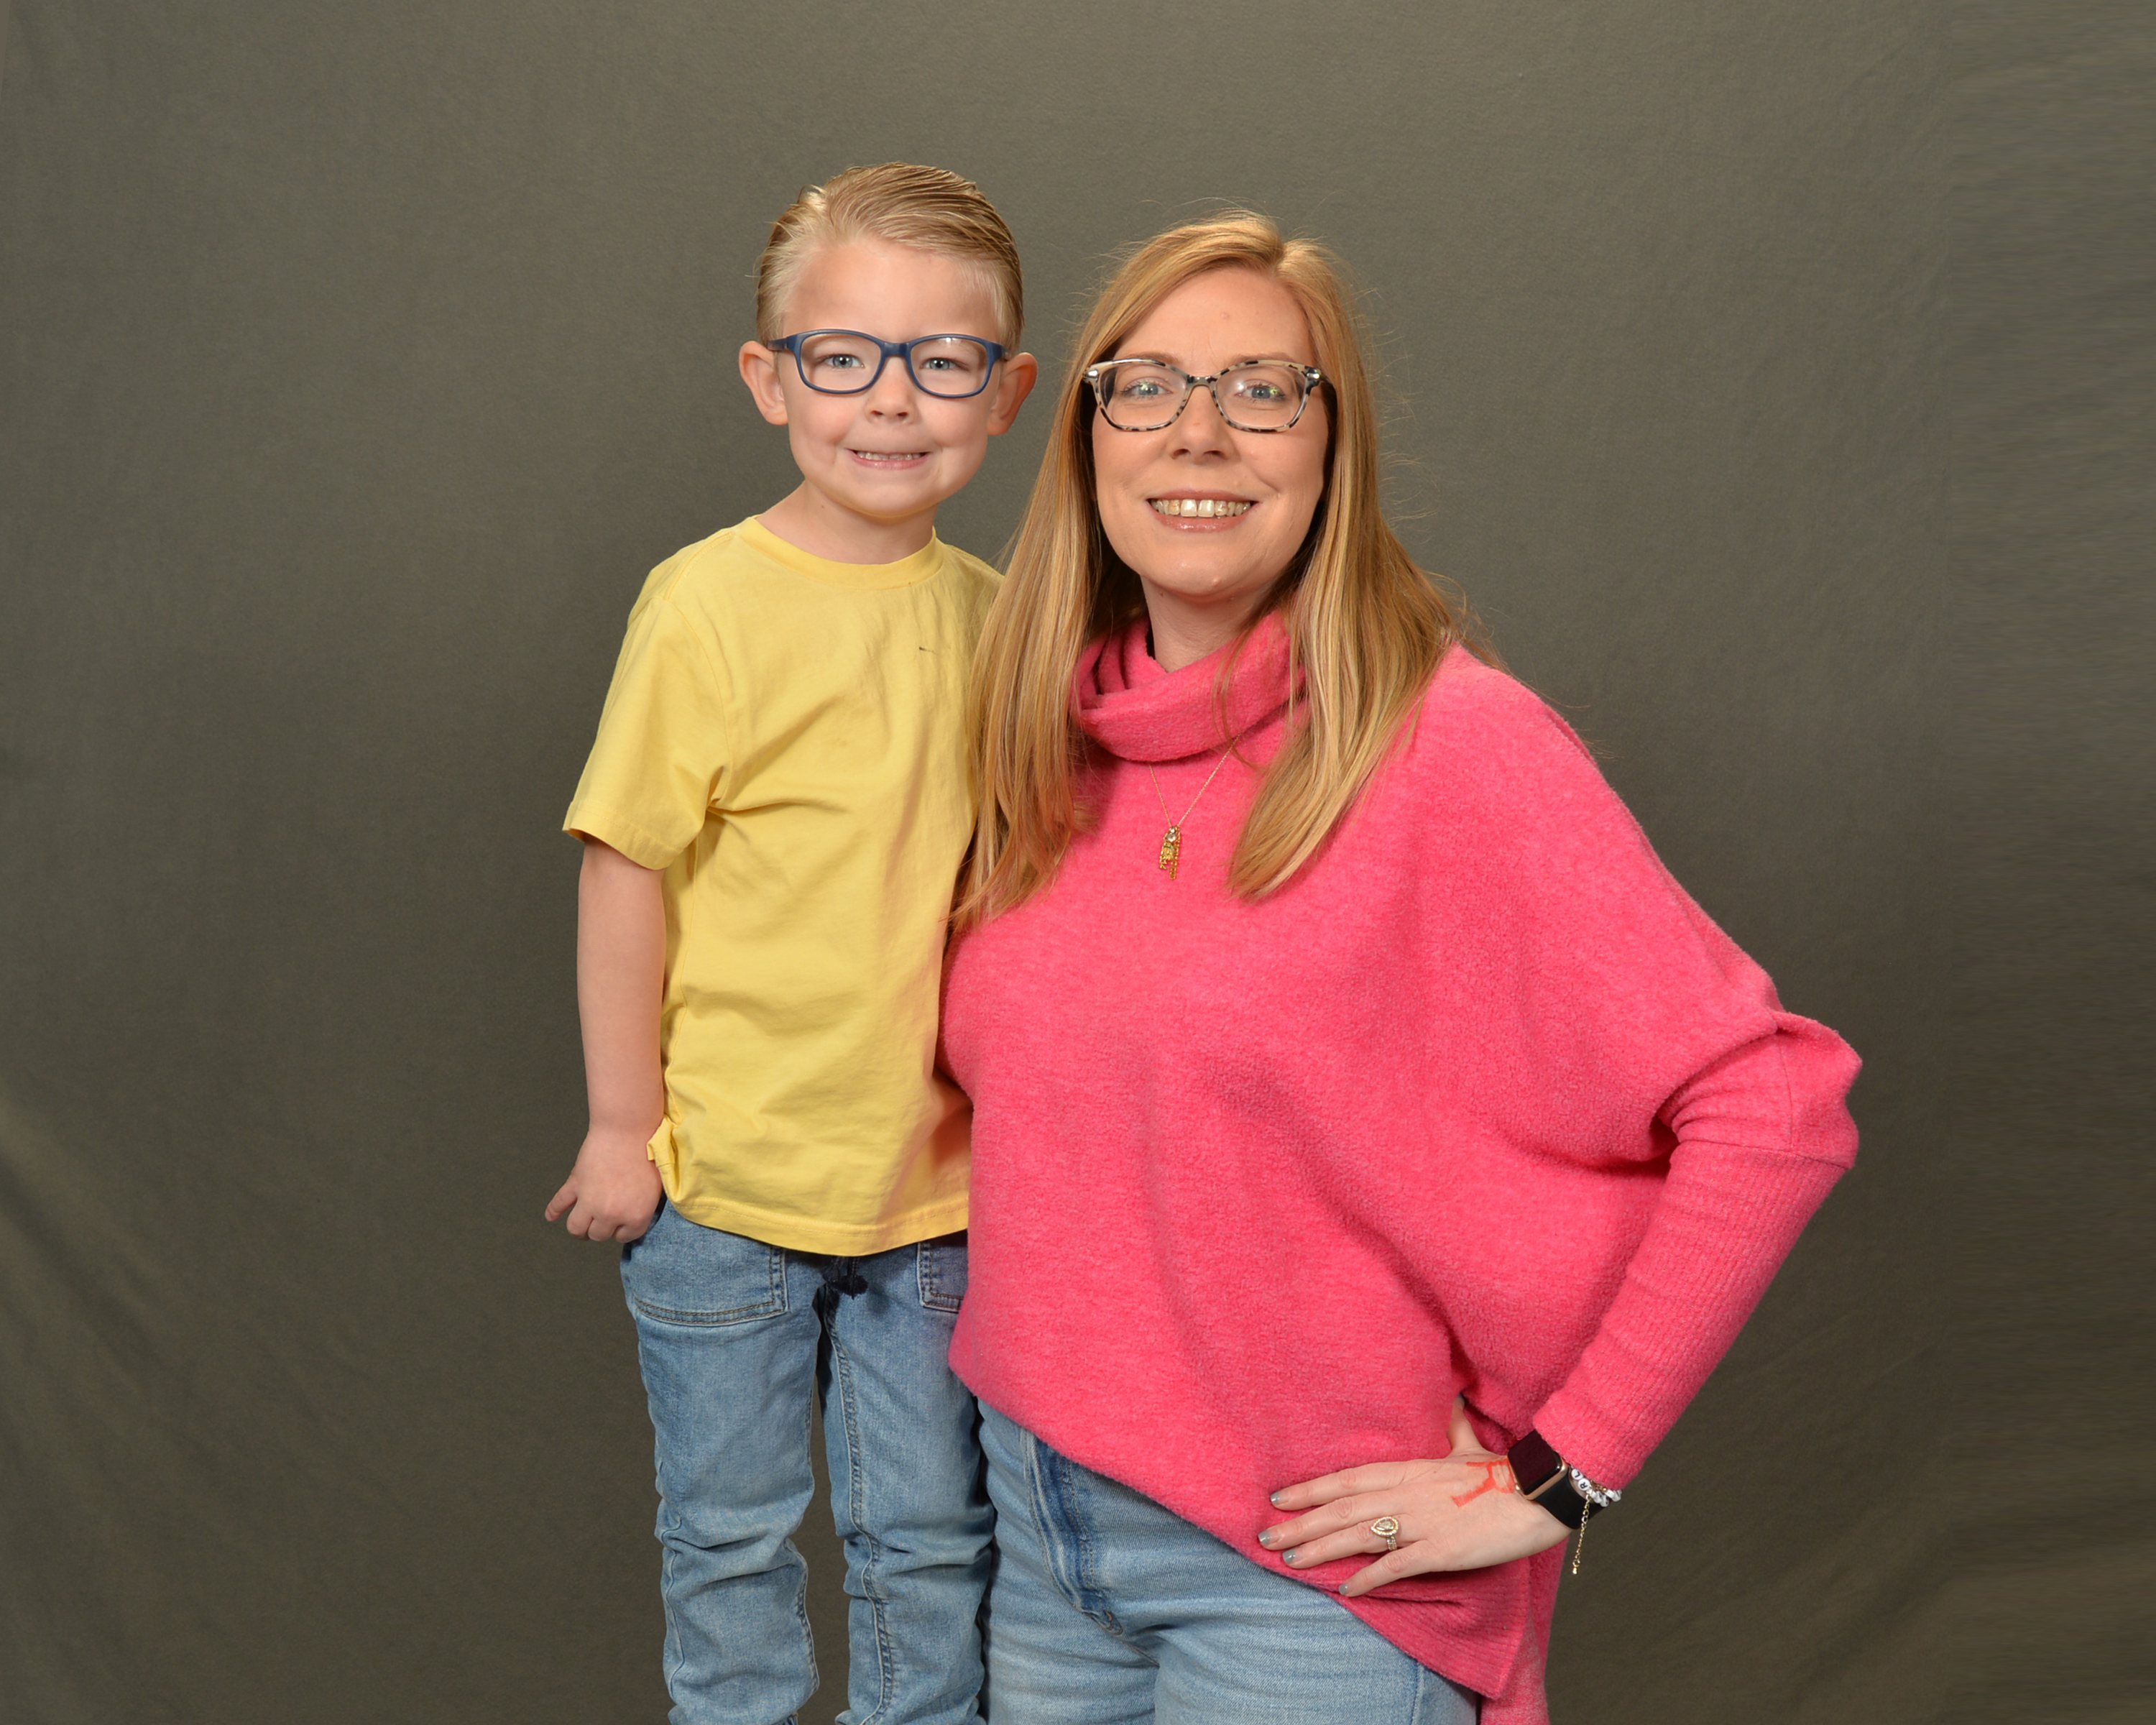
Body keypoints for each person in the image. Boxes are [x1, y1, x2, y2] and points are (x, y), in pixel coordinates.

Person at [941, 212, 1860, 1725]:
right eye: (1147, 385)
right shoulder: (1036, 740)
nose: (1199, 433)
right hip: (1036, 1541)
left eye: (1262, 390)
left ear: (1333, 447)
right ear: (1087, 433)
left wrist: (1563, 1474)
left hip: (1307, 1591)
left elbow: (1777, 1105)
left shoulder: (1450, 742)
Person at [545, 162, 1037, 1725]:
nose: (889, 400)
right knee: (730, 1541)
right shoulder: (705, 605)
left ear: (1007, 393)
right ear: (771, 380)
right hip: (727, 1182)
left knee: (931, 1546)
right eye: (843, 357)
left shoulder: (1002, 620)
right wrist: (623, 1122)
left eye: (941, 361)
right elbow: (626, 866)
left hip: (934, 1195)